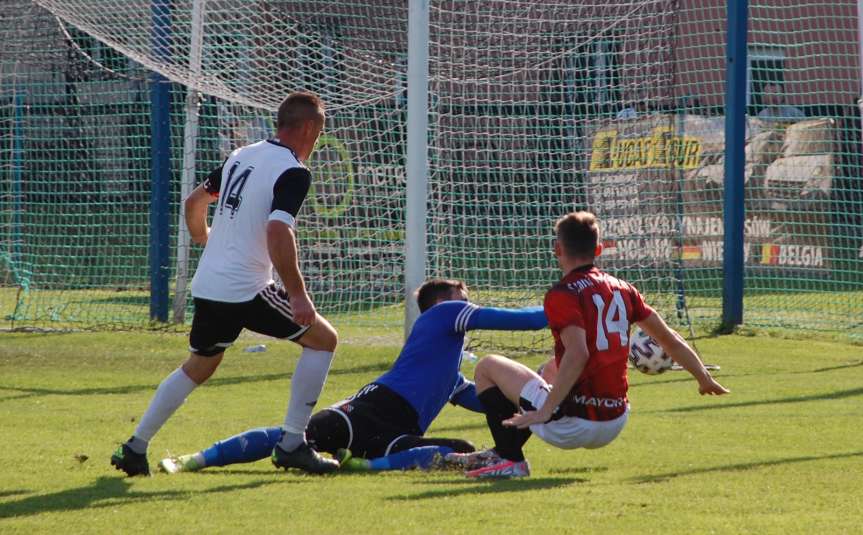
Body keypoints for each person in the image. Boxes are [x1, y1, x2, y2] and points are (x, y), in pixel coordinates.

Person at [111, 92, 341, 476]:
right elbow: (279, 230)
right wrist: (298, 295)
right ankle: (292, 444)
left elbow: (194, 201)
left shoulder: (242, 155)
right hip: (246, 288)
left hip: (211, 284)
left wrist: (204, 238)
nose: (317, 143)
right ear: (306, 128)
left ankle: (135, 447)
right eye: (318, 134)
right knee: (324, 340)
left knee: (199, 365)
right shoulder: (293, 170)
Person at [155, 278, 548, 474]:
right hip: (371, 407)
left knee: (459, 447)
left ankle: (365, 465)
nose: (470, 306)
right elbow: (513, 319)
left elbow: (489, 404)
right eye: (465, 300)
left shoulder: (451, 372)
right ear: (445, 305)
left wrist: (536, 396)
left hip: (395, 430)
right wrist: (562, 308)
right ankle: (195, 460)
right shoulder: (443, 315)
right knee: (291, 436)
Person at [448, 212, 729, 478]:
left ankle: (510, 460)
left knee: (487, 366)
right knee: (550, 369)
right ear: (599, 250)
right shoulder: (624, 289)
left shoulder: (563, 293)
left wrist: (545, 411)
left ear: (558, 249)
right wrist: (703, 379)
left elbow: (579, 353)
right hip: (615, 420)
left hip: (574, 424)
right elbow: (671, 339)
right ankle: (501, 453)